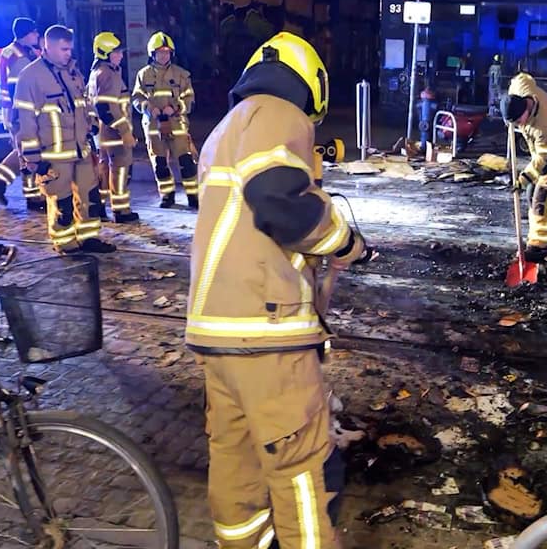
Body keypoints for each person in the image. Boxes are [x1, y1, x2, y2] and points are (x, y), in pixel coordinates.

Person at [187, 31, 365, 549]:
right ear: (311, 84)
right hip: (267, 331)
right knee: (303, 469)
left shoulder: (226, 127)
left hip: (215, 330)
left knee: (236, 464)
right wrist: (345, 241)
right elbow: (278, 199)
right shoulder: (282, 113)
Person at [14, 25, 115, 254]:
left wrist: (91, 129)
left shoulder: (73, 72)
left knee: (90, 198)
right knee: (62, 203)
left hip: (81, 149)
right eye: (64, 49)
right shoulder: (30, 77)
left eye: (70, 49)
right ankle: (65, 243)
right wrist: (31, 158)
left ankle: (89, 238)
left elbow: (85, 104)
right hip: (53, 155)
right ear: (46, 47)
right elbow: (25, 120)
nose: (68, 53)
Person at [500, 72, 547, 262]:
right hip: (541, 150)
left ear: (526, 110)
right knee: (531, 193)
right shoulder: (520, 89)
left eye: (519, 121)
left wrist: (522, 179)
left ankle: (539, 247)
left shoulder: (545, 126)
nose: (519, 125)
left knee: (542, 197)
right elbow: (522, 77)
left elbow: (545, 160)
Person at [0, 17, 46, 211]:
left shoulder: (16, 52)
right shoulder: (19, 57)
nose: (37, 35)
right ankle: (4, 185)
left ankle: (15, 188)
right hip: (19, 110)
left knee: (25, 150)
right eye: (34, 32)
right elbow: (19, 88)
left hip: (14, 110)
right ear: (26, 34)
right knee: (28, 150)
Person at [132, 32, 198, 209]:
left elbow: (190, 99)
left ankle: (193, 195)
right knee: (160, 163)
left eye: (167, 52)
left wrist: (176, 107)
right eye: (160, 52)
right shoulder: (143, 75)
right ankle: (167, 195)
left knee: (186, 162)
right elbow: (136, 98)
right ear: (152, 54)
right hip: (153, 127)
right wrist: (148, 108)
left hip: (177, 124)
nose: (164, 55)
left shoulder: (182, 75)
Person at [88, 31, 139, 223]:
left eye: (120, 52)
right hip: (115, 133)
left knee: (104, 169)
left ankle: (100, 207)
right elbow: (106, 108)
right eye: (115, 52)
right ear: (104, 53)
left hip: (103, 133)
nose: (120, 56)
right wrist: (124, 131)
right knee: (120, 170)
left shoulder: (96, 73)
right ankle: (121, 210)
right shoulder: (109, 74)